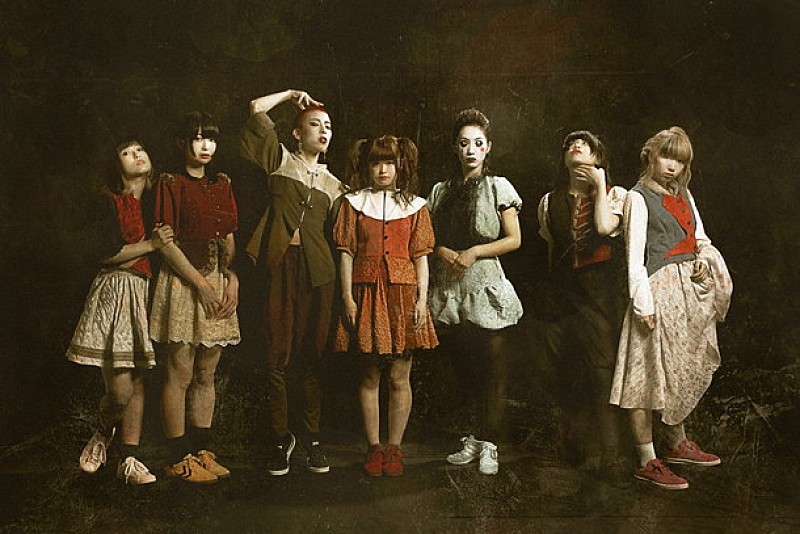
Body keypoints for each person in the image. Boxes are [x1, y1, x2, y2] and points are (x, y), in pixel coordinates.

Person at [610, 126, 733, 490]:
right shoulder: (637, 198)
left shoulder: (683, 194)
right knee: (645, 372)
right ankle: (647, 459)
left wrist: (703, 260)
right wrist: (643, 304)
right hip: (656, 292)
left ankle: (676, 443)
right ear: (650, 155)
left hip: (687, 295)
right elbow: (635, 259)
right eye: (667, 157)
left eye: (680, 161)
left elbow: (700, 239)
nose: (672, 167)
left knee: (678, 369)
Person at [239, 89, 346, 476]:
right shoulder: (279, 160)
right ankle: (280, 439)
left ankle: (312, 439)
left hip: (319, 275)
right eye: (315, 124)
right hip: (279, 267)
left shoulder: (336, 186)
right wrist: (290, 96)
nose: (324, 131)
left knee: (312, 356)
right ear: (297, 134)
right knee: (275, 354)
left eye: (328, 126)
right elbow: (255, 108)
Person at [68, 138, 173, 485]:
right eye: (126, 153)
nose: (136, 155)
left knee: (138, 379)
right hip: (116, 290)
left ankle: (128, 460)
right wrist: (151, 245)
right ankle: (102, 434)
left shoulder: (155, 199)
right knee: (121, 390)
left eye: (140, 149)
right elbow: (105, 253)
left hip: (145, 290)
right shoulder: (108, 200)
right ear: (117, 166)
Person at [333, 135, 438, 477]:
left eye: (389, 163)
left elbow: (421, 257)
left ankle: (395, 448)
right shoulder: (353, 203)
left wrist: (422, 299)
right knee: (370, 373)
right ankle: (374, 448)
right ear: (367, 166)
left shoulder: (416, 206)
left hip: (403, 295)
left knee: (399, 375)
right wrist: (347, 297)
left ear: (400, 165)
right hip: (366, 293)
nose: (382, 170)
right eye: (376, 163)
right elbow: (345, 253)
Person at [428, 108, 523, 475]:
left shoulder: (498, 186)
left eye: (477, 143)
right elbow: (428, 238)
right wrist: (443, 251)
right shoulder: (441, 191)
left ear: (488, 148)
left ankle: (491, 444)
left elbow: (513, 239)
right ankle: (474, 438)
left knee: (492, 367)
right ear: (456, 148)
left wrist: (474, 252)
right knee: (465, 369)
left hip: (485, 283)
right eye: (464, 143)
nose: (471, 150)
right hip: (450, 285)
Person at [149, 112, 241, 484]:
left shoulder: (222, 183)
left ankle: (202, 451)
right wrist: (200, 283)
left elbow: (229, 239)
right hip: (183, 282)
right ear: (182, 143)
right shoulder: (170, 183)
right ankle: (178, 457)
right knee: (180, 372)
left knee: (207, 372)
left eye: (211, 138)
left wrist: (231, 278)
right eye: (198, 138)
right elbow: (164, 243)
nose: (206, 145)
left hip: (216, 281)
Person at [536, 131, 629, 473]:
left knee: (602, 371)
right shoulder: (549, 202)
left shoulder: (616, 195)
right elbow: (552, 249)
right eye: (570, 145)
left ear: (598, 157)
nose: (575, 147)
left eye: (585, 144)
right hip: (561, 295)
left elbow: (604, 229)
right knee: (561, 368)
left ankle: (611, 453)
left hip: (600, 296)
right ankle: (572, 445)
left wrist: (599, 185)